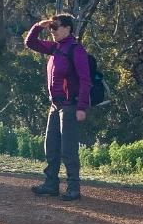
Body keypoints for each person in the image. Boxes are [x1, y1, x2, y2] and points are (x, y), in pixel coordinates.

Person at [24, 13, 92, 201]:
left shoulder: (75, 50)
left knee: (68, 149)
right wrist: (39, 25)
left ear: (67, 28)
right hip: (55, 106)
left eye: (56, 27)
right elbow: (30, 43)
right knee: (51, 146)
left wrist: (81, 107)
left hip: (70, 106)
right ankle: (51, 184)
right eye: (51, 28)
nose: (52, 31)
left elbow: (86, 81)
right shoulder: (56, 48)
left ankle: (73, 188)